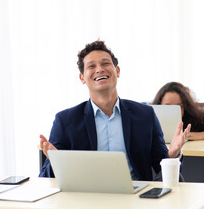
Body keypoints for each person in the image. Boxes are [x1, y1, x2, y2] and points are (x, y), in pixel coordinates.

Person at [39, 40, 191, 180]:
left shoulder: (145, 115)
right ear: (82, 78)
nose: (99, 69)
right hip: (86, 199)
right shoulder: (65, 121)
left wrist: (172, 155)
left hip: (137, 199)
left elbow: (161, 168)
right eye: (91, 66)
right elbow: (45, 179)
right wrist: (55, 162)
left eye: (105, 63)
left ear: (117, 71)